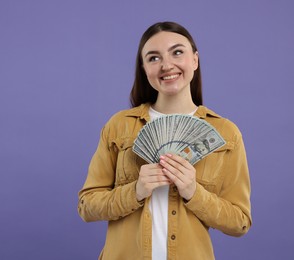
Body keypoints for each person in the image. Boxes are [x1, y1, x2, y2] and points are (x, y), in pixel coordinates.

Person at [78, 21, 252, 260]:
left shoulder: (226, 134)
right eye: (153, 58)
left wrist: (193, 192)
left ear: (195, 60)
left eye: (177, 52)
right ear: (144, 69)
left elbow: (239, 222)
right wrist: (135, 191)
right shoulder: (119, 126)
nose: (166, 65)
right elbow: (87, 206)